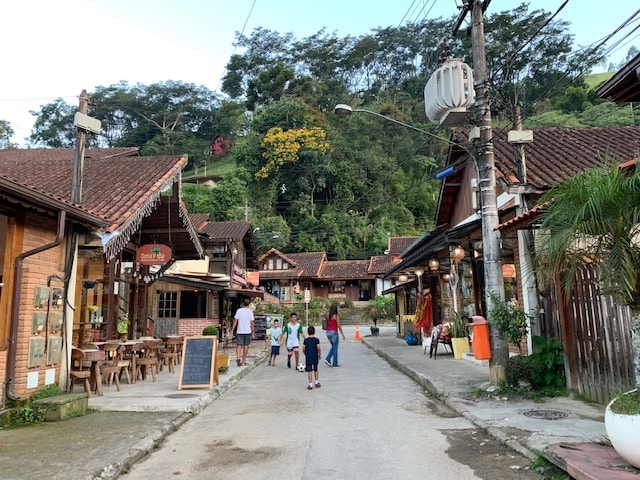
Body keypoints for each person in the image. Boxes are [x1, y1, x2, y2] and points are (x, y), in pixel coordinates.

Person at [230, 298, 254, 366]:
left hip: (240, 330)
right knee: (246, 345)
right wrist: (253, 331)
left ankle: (238, 357)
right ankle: (244, 360)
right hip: (247, 331)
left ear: (243, 303)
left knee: (239, 345)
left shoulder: (239, 311)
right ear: (249, 304)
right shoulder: (250, 312)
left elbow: (235, 321)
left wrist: (232, 330)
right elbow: (252, 323)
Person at [324, 302, 345, 367]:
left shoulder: (328, 315)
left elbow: (326, 323)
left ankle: (329, 361)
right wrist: (342, 334)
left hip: (328, 332)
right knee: (335, 348)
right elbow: (338, 325)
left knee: (333, 347)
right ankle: (331, 361)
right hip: (334, 332)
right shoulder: (336, 315)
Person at [303, 325, 321, 390]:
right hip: (315, 356)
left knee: (309, 370)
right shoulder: (316, 340)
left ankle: (310, 385)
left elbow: (303, 348)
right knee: (315, 369)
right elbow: (318, 348)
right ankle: (316, 382)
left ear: (308, 332)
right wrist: (319, 354)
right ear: (314, 332)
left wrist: (305, 353)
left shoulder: (306, 340)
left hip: (308, 357)